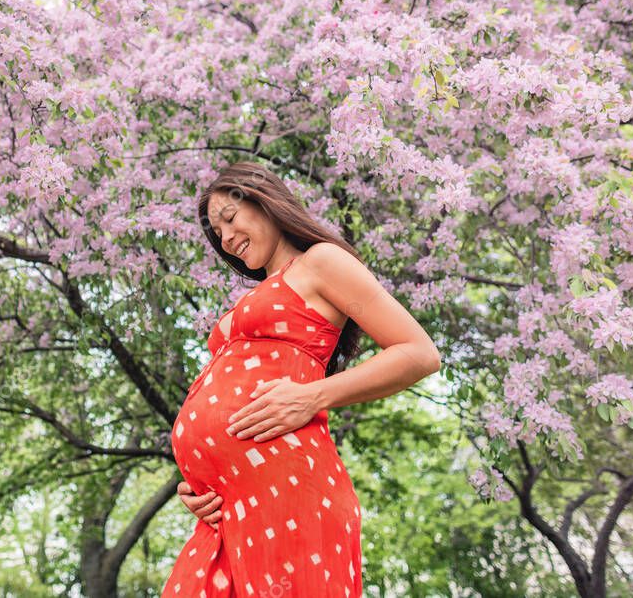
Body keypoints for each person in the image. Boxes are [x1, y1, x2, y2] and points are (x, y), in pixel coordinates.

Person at [162, 161, 441, 597]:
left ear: (265, 201)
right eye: (217, 234)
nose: (226, 238)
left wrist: (313, 396)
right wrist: (203, 481)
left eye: (230, 219)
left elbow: (419, 353)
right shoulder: (258, 293)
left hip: (290, 493)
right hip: (227, 511)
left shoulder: (320, 262)